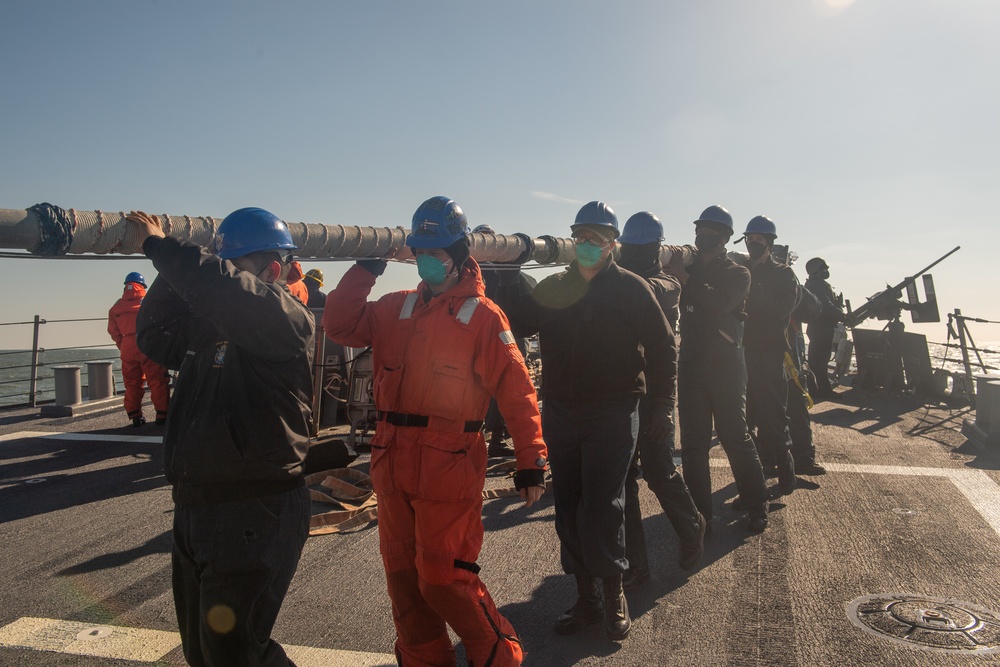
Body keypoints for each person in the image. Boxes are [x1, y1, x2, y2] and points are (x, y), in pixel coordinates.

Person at [323, 196, 547, 667]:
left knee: (444, 578)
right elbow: (340, 323)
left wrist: (531, 461)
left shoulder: (484, 317)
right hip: (392, 461)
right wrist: (366, 266)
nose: (427, 260)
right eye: (421, 250)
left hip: (449, 464)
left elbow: (517, 392)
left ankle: (498, 658)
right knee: (403, 580)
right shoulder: (394, 308)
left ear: (461, 254)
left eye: (437, 251)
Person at [128, 207, 314, 667]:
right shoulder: (207, 329)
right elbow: (153, 332)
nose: (225, 274)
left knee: (236, 654)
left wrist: (162, 247)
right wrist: (171, 269)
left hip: (253, 511)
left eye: (233, 264)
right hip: (197, 509)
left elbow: (229, 292)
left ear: (273, 269)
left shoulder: (285, 319)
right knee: (203, 652)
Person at [496, 201, 676, 642]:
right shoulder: (556, 286)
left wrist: (662, 406)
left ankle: (613, 593)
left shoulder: (633, 289)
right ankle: (586, 598)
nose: (588, 245)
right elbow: (518, 319)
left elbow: (663, 348)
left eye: (597, 238)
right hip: (561, 409)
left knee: (604, 504)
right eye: (581, 237)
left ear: (613, 243)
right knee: (570, 505)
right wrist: (507, 270)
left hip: (614, 412)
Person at [665, 205, 769, 534]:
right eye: (699, 231)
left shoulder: (739, 272)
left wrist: (684, 277)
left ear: (725, 239)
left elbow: (717, 304)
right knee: (694, 444)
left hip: (725, 365)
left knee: (734, 436)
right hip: (692, 363)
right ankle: (701, 515)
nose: (702, 236)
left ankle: (757, 502)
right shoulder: (688, 266)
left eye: (710, 232)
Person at [616, 211, 705, 588]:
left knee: (657, 468)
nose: (634, 254)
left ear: (655, 249)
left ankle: (692, 527)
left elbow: (644, 290)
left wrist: (664, 408)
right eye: (628, 249)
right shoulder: (618, 280)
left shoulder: (666, 284)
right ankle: (636, 565)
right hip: (623, 391)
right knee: (625, 480)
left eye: (641, 249)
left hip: (655, 394)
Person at [737, 216, 798, 497]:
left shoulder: (783, 274)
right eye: (750, 238)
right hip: (744, 352)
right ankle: (754, 483)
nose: (753, 243)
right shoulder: (741, 269)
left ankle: (787, 473)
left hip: (771, 354)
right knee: (745, 419)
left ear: (770, 243)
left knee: (773, 416)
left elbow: (779, 310)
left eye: (759, 240)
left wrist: (752, 285)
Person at [472, 222, 537, 457]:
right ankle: (498, 436)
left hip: (493, 336)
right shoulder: (498, 270)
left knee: (494, 387)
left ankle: (495, 435)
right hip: (502, 336)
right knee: (508, 387)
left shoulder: (471, 270)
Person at [107, 271, 171, 427]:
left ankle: (135, 416)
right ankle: (162, 415)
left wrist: (123, 346)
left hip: (127, 347)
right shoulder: (148, 301)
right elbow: (161, 324)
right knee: (157, 380)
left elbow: (113, 332)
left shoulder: (116, 307)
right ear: (142, 286)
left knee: (132, 383)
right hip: (147, 344)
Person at [804, 257, 845, 399]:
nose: (826, 271)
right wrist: (843, 316)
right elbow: (827, 307)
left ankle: (817, 389)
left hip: (818, 327)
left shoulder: (815, 285)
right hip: (821, 327)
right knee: (819, 361)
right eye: (824, 268)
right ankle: (823, 391)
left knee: (817, 360)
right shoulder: (817, 286)